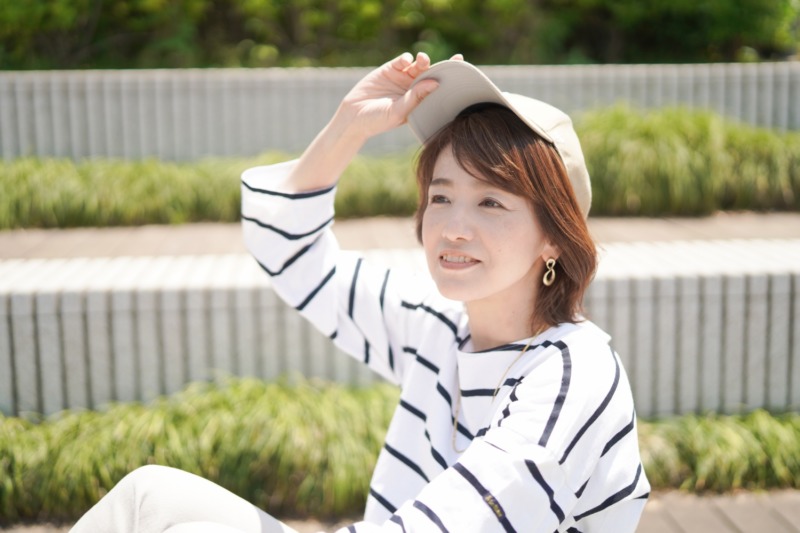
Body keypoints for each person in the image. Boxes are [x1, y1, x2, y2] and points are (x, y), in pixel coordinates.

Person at [70, 52, 650, 533]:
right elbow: (293, 256)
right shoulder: (440, 328)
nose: (452, 227)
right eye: (441, 196)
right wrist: (349, 126)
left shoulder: (572, 374)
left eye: (491, 202)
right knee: (150, 497)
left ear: (554, 237)